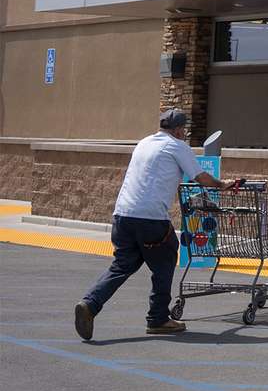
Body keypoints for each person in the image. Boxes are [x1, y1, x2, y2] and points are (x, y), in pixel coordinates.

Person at [73, 109, 240, 340]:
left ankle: (90, 304)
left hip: (122, 215)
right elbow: (200, 177)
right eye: (184, 129)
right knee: (166, 258)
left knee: (123, 265)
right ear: (179, 129)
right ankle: (158, 319)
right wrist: (223, 185)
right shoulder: (177, 146)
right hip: (150, 218)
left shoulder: (143, 143)